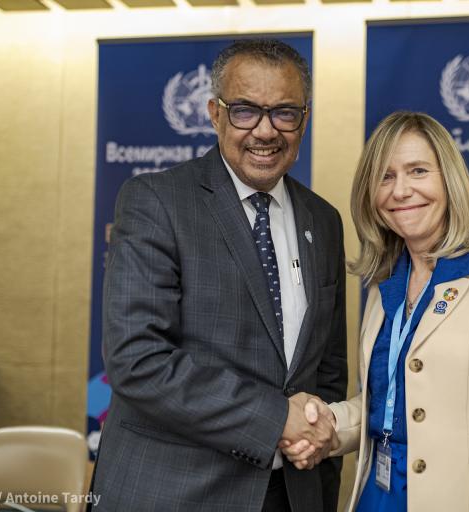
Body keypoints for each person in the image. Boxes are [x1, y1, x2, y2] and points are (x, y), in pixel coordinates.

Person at [90, 39, 347, 512]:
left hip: (293, 493)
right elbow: (137, 359)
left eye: (285, 113)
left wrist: (312, 436)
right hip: (175, 493)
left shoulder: (323, 221)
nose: (265, 131)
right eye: (245, 111)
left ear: (304, 119)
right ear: (214, 113)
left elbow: (327, 369)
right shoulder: (156, 201)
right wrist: (275, 419)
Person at [282, 111, 469, 511]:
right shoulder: (385, 287)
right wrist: (322, 425)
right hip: (377, 496)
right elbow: (385, 405)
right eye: (385, 176)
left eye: (417, 171)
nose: (400, 190)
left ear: (449, 180)